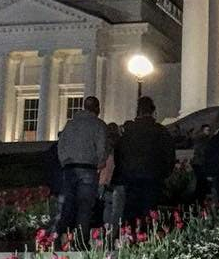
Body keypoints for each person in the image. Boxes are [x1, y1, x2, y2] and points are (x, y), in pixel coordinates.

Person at [55, 96, 107, 242]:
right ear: (97, 108)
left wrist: (65, 162)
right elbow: (102, 149)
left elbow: (61, 146)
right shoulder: (98, 125)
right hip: (88, 168)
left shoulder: (70, 124)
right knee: (84, 207)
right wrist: (100, 162)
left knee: (68, 204)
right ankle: (80, 241)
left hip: (70, 168)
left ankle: (63, 237)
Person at [116, 96, 175, 221]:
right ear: (153, 112)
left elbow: (119, 154)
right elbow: (169, 155)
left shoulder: (129, 131)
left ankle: (130, 237)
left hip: (131, 177)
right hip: (153, 177)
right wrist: (163, 173)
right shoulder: (160, 131)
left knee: (131, 212)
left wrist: (124, 172)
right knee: (149, 213)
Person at [101, 123, 126, 231]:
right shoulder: (121, 146)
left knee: (108, 207)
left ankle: (107, 231)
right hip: (117, 181)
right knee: (116, 211)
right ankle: (113, 233)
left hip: (106, 183)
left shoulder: (105, 147)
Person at [190, 124, 212, 201]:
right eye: (207, 130)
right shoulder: (203, 139)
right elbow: (203, 151)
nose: (208, 132)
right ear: (203, 130)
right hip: (200, 163)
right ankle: (199, 198)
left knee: (201, 182)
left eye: (209, 130)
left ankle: (198, 198)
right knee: (201, 182)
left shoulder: (201, 139)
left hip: (198, 163)